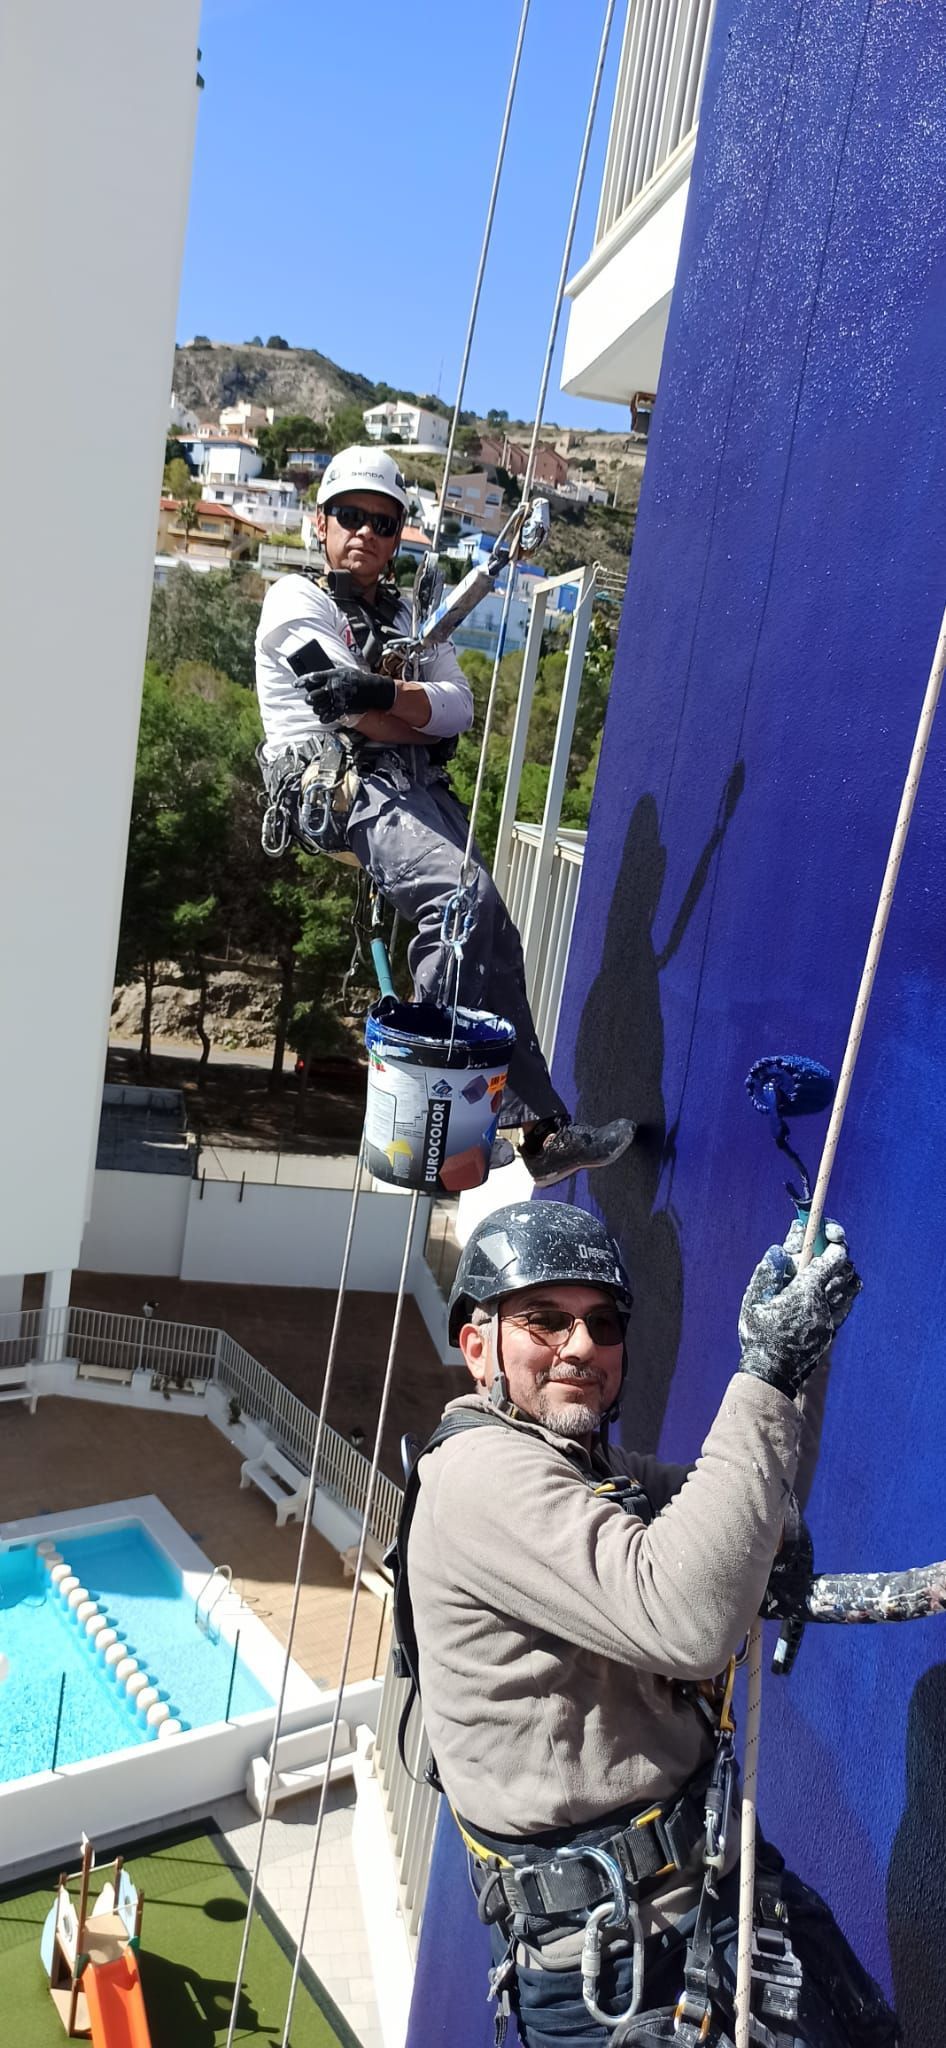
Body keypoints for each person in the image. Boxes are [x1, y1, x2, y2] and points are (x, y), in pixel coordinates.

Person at [395, 1200, 899, 2046]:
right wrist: (766, 1371)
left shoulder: (585, 1468)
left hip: (703, 1898)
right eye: (545, 1320)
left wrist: (795, 1363)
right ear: (477, 1346)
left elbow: (745, 1521)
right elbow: (689, 1617)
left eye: (602, 1325)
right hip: (621, 1971)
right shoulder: (479, 1476)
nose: (581, 1347)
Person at [255, 446, 635, 1188]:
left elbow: (455, 708)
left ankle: (542, 1132)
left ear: (398, 536)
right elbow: (341, 705)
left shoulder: (405, 617)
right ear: (320, 523)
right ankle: (435, 1101)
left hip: (409, 786)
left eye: (383, 522)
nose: (365, 532)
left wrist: (389, 700)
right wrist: (405, 713)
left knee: (494, 933)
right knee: (463, 904)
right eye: (350, 516)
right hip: (340, 787)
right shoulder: (294, 600)